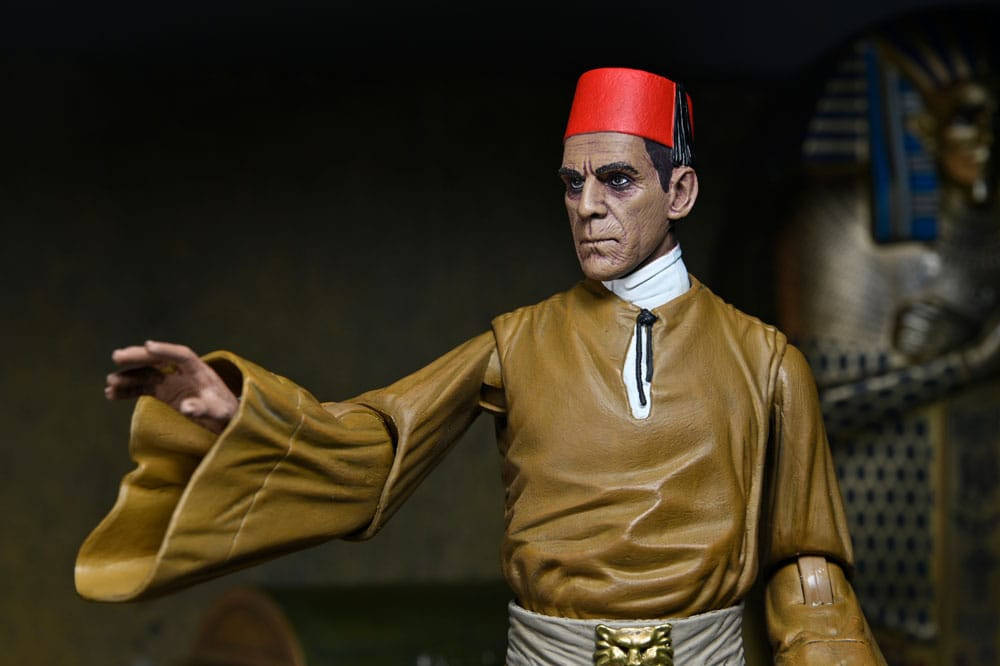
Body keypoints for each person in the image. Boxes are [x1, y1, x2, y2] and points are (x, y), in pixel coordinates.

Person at [77, 67, 885, 664]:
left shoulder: (765, 363)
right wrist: (240, 414)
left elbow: (808, 569)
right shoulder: (518, 345)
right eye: (571, 184)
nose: (588, 207)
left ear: (679, 192)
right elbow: (380, 442)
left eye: (617, 180)